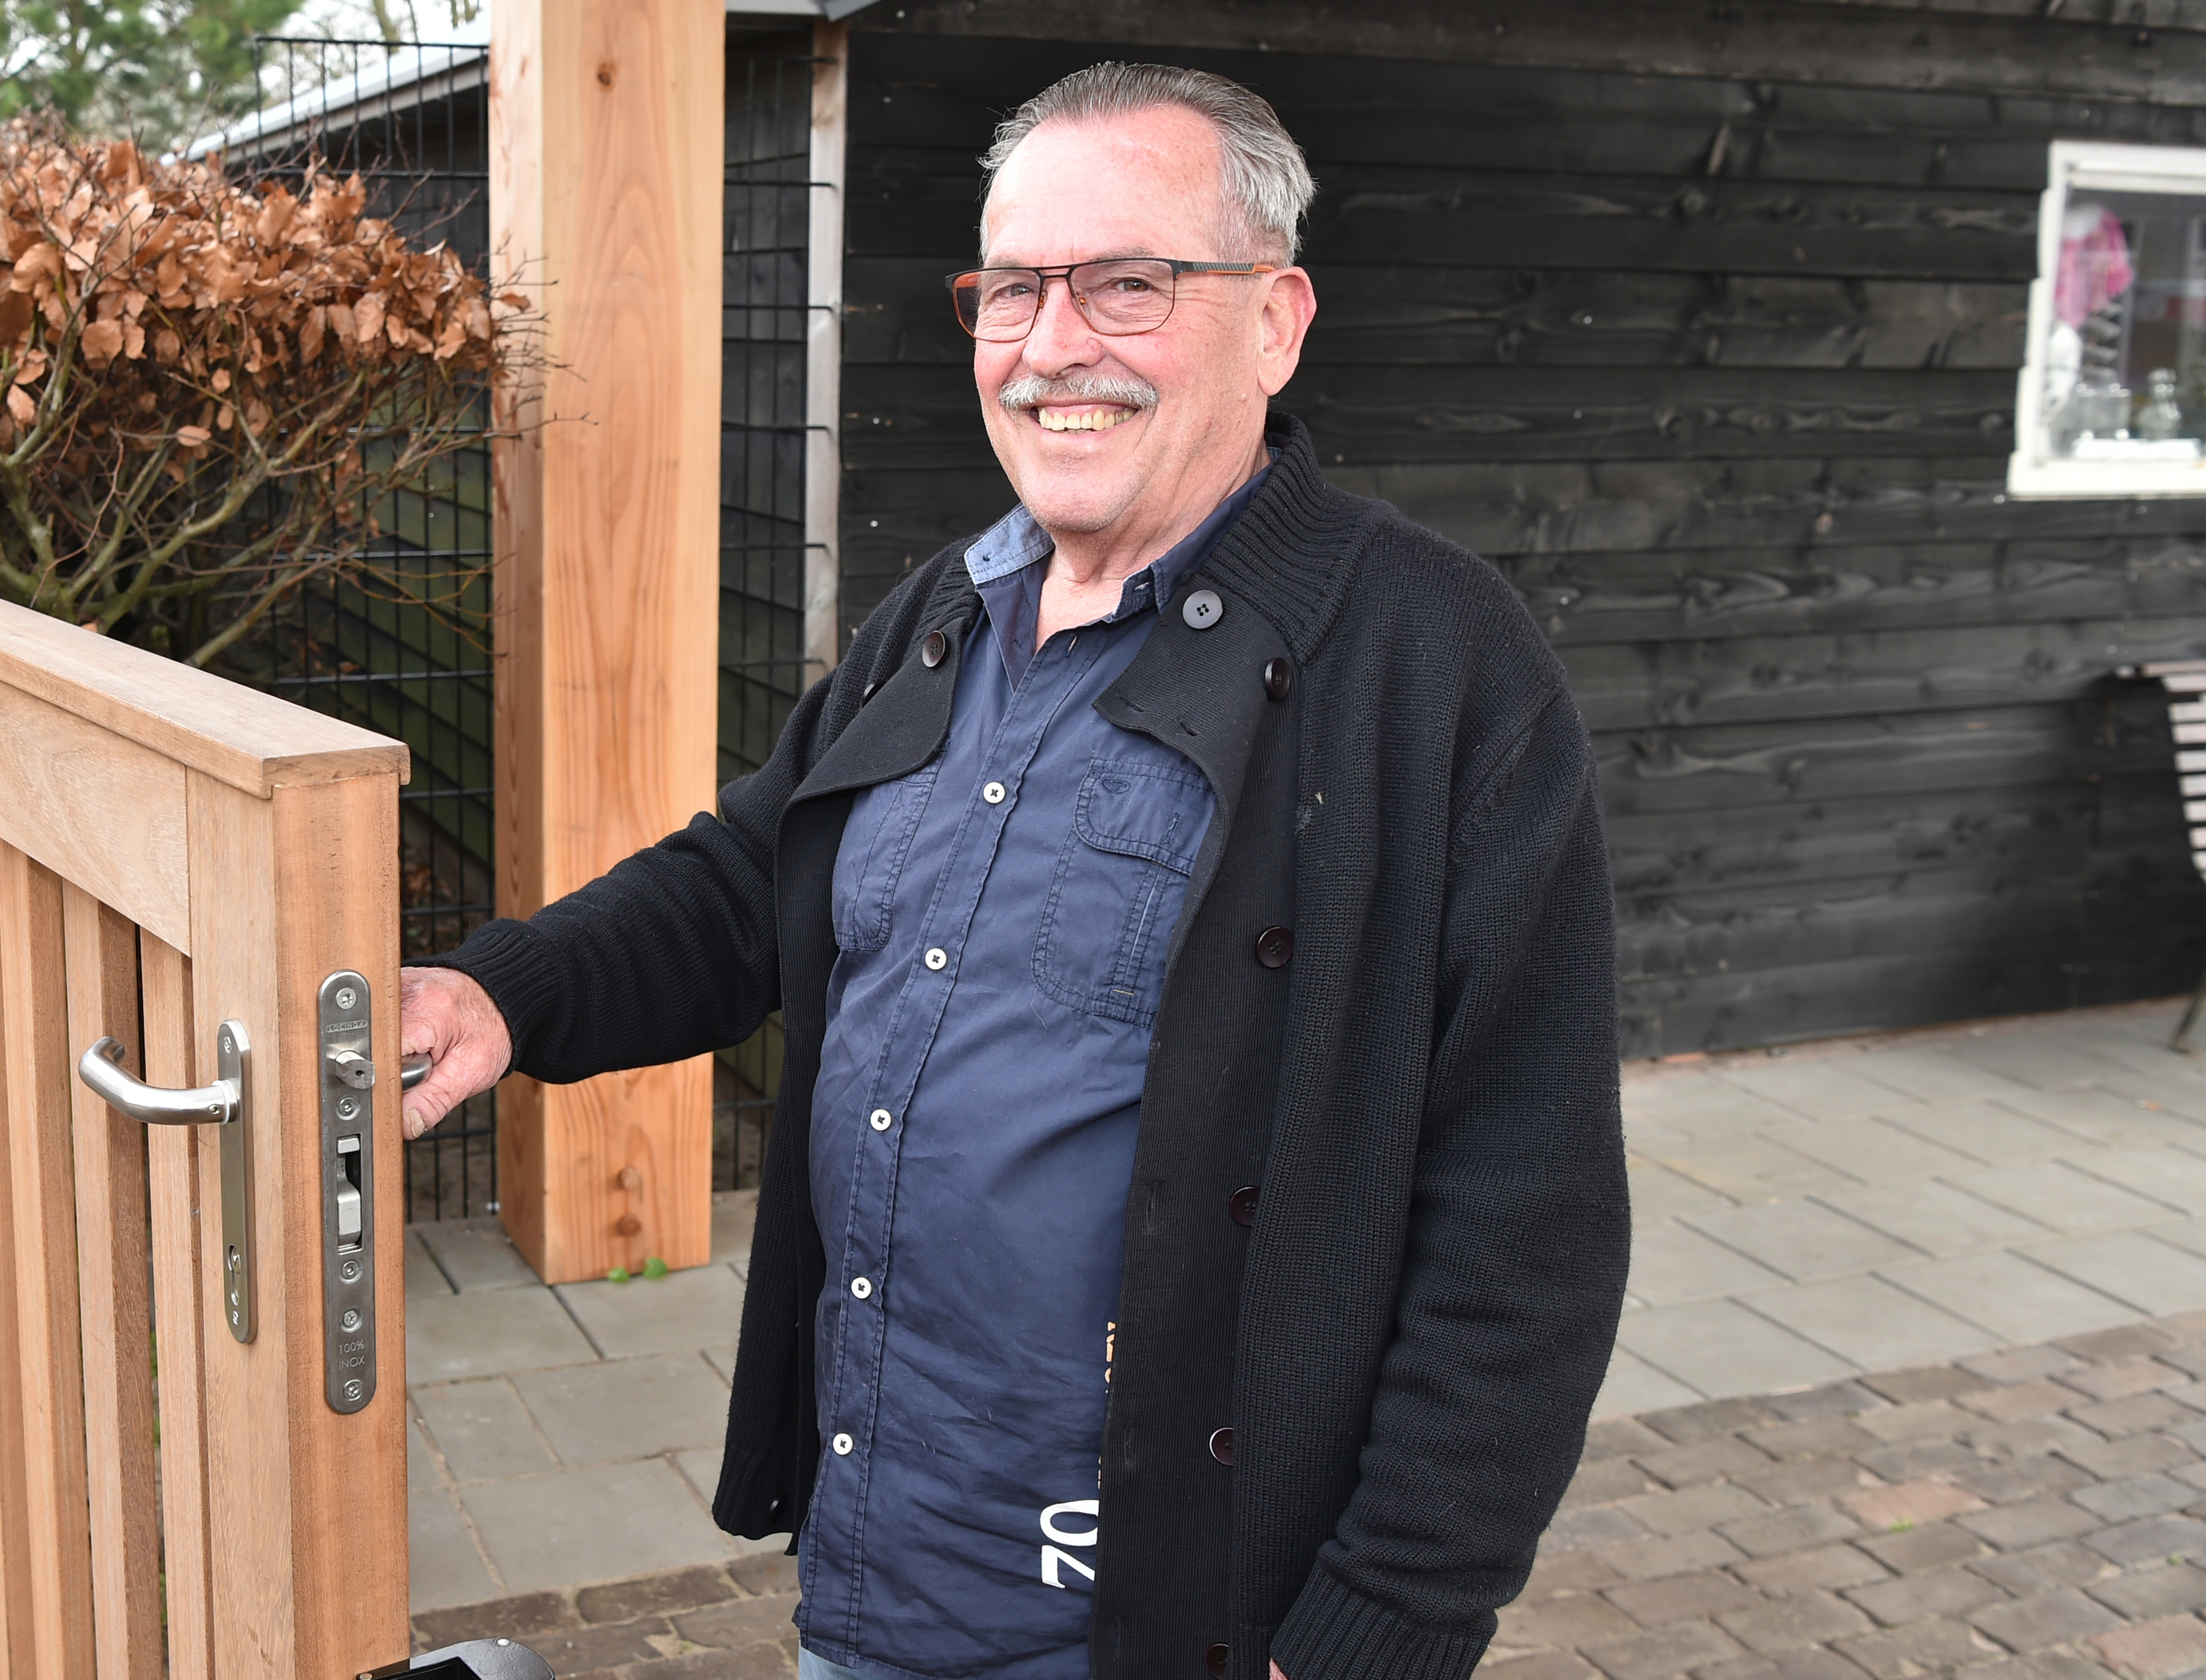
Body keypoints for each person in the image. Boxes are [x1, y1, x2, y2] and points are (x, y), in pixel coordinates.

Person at [399, 61, 1628, 1680]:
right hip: (883, 1564)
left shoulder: (1431, 666)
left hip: (1168, 1622)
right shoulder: (945, 611)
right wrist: (505, 992)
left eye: (1129, 283)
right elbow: (751, 875)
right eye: (1016, 290)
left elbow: (1525, 1221)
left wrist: (1384, 1625)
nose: (1055, 345)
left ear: (1274, 319)